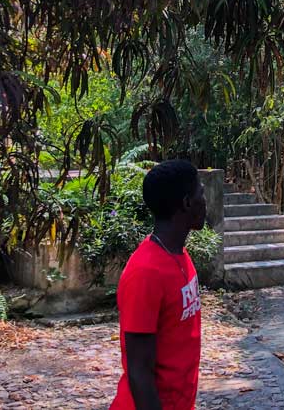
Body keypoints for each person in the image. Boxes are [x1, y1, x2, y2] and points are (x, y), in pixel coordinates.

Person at [110, 159, 207, 410]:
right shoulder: (145, 273)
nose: (205, 201)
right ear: (186, 203)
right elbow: (139, 371)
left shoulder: (180, 255)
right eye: (201, 193)